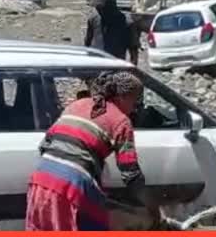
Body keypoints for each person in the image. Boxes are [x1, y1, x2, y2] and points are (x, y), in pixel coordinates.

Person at [26, 71, 158, 230]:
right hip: (72, 186)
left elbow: (45, 144)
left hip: (40, 179)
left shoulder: (77, 105)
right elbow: (131, 175)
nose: (134, 109)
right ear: (123, 97)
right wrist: (153, 208)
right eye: (134, 102)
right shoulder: (121, 122)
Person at [85, 0, 139, 65]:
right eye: (97, 6)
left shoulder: (127, 23)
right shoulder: (93, 19)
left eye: (101, 6)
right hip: (94, 67)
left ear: (110, 4)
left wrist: (131, 70)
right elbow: (87, 43)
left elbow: (133, 51)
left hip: (115, 69)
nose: (98, 9)